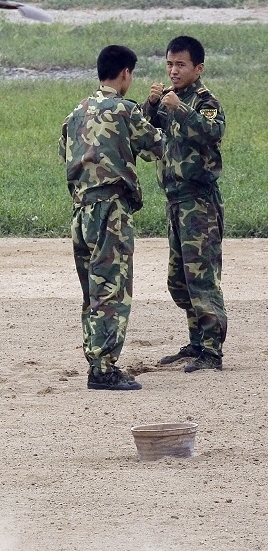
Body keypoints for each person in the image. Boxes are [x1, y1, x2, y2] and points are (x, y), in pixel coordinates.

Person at [59, 45, 164, 391]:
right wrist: (157, 113)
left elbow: (66, 152)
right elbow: (154, 146)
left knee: (92, 291)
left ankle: (96, 360)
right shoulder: (124, 109)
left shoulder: (76, 113)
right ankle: (104, 369)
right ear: (125, 74)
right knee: (112, 290)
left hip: (80, 211)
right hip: (111, 211)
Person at [142, 36, 227, 373]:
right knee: (179, 279)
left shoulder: (205, 101)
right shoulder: (168, 100)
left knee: (202, 277)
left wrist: (182, 109)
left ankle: (211, 351)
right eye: (169, 64)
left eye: (180, 65)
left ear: (198, 68)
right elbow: (150, 130)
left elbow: (212, 132)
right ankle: (195, 342)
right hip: (175, 201)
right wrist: (151, 105)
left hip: (199, 202)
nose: (173, 71)